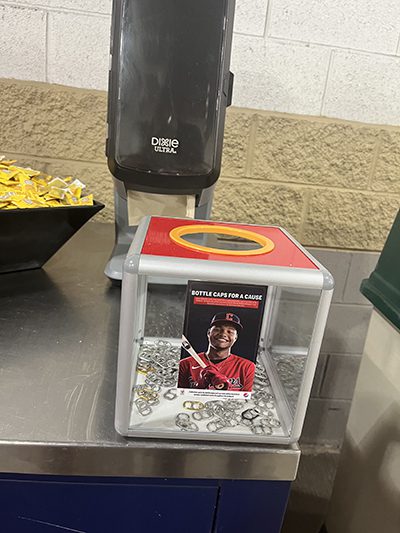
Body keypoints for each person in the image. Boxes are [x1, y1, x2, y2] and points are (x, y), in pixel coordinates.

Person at [178, 312, 255, 391]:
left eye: (230, 331)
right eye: (218, 329)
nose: (223, 334)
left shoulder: (247, 367)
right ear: (208, 333)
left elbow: (246, 401)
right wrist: (200, 386)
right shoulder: (185, 364)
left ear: (235, 338)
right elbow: (180, 398)